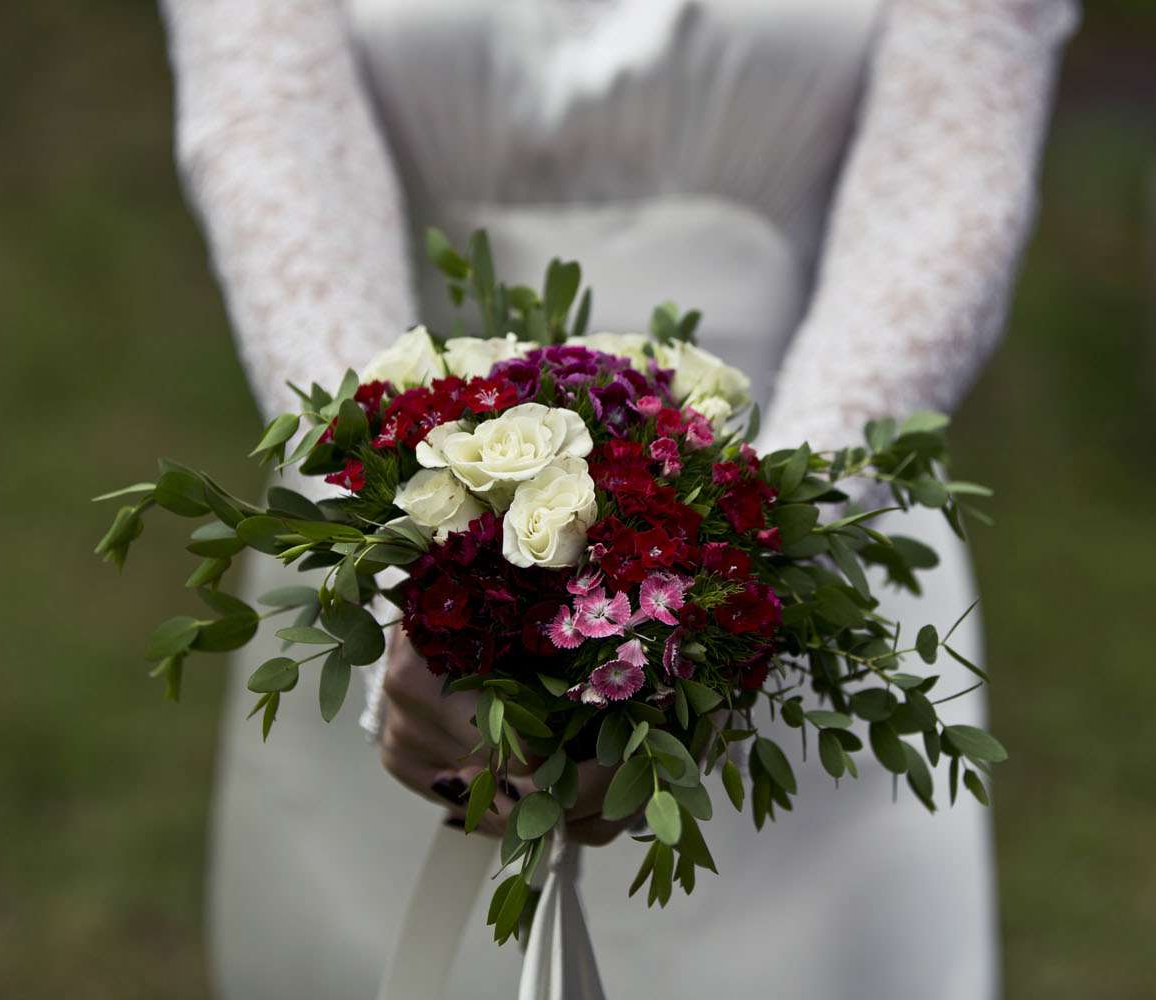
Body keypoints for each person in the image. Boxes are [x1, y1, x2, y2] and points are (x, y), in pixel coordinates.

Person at [159, 1, 1078, 996]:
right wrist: (417, 588)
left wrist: (741, 572)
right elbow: (274, 154)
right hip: (408, 573)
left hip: (802, 574)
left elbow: (945, 193)